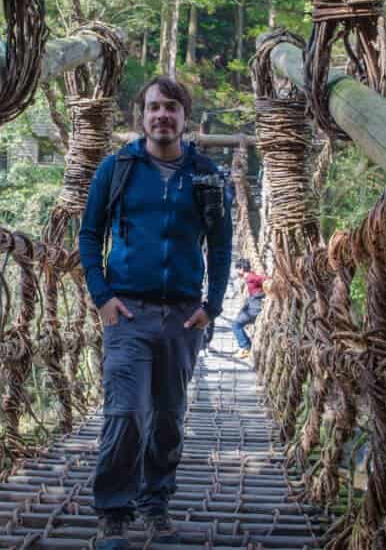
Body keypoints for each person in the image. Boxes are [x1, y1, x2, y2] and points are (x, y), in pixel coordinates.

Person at [79, 76, 233, 549]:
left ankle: (155, 503)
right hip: (128, 311)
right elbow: (89, 235)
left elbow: (222, 244)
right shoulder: (116, 168)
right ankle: (113, 513)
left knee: (168, 417)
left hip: (183, 316)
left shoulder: (207, 175)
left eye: (171, 107)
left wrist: (213, 304)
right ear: (141, 116)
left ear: (185, 118)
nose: (161, 115)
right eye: (153, 107)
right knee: (126, 413)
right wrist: (102, 296)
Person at [231, 259, 266, 359]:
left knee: (236, 325)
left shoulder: (250, 277)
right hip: (252, 305)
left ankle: (246, 347)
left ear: (241, 269)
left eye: (237, 269)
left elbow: (262, 279)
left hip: (254, 308)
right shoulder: (249, 277)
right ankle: (245, 346)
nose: (236, 271)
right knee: (237, 322)